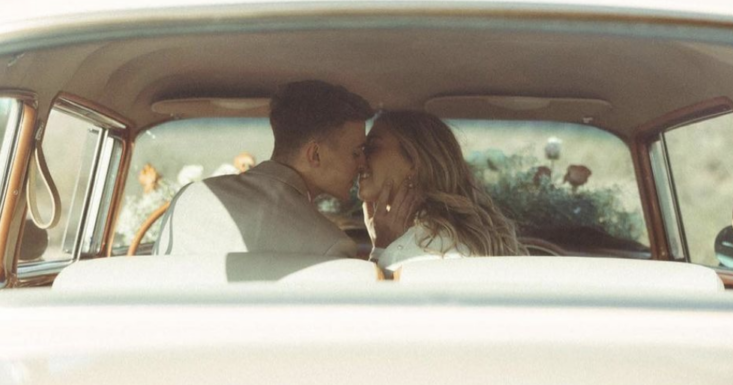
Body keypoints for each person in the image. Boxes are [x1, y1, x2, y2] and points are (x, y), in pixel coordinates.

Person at [155, 81, 373, 257]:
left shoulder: (188, 198)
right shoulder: (330, 246)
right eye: (356, 152)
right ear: (315, 155)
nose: (363, 164)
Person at [358, 110, 525, 273]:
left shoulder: (409, 254)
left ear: (415, 162)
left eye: (372, 147)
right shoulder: (450, 235)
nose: (360, 160)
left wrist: (381, 252)